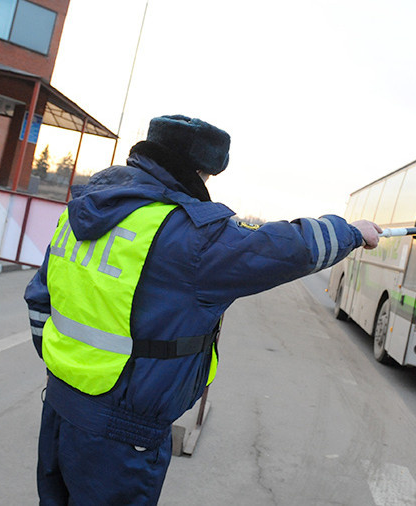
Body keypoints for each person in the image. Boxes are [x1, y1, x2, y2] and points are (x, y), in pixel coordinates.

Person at [24, 114, 382, 505]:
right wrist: (350, 231)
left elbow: (40, 299)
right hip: (122, 434)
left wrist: (67, 367)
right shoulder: (187, 235)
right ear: (197, 170)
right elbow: (278, 249)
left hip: (59, 407)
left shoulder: (83, 208)